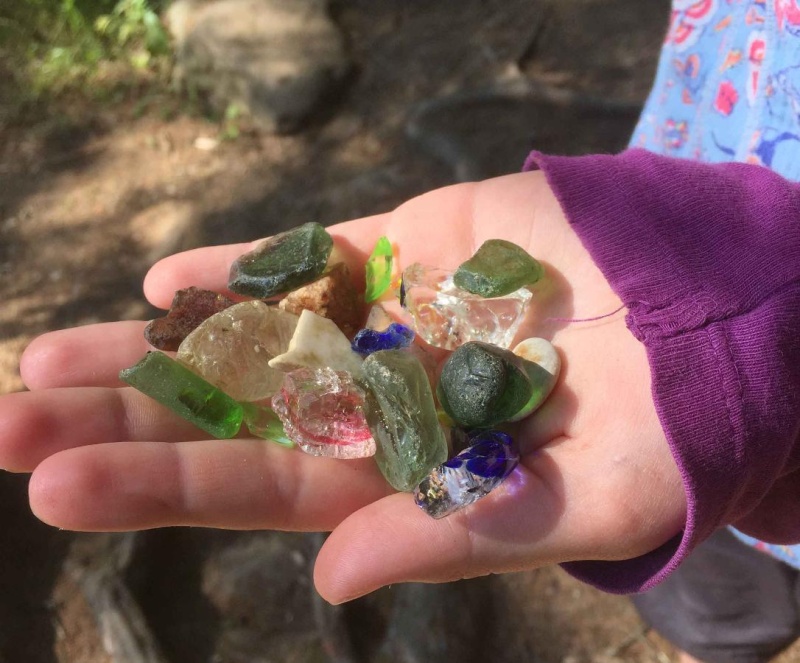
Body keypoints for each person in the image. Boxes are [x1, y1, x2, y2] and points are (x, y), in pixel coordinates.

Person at [0, 2, 798, 662]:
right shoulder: (380, 362)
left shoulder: (442, 382)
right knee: (717, 607)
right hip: (724, 120)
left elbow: (435, 435)